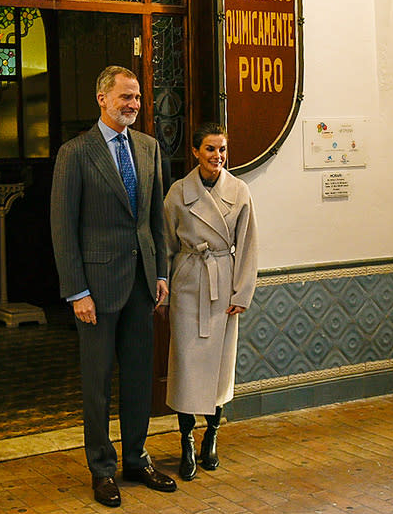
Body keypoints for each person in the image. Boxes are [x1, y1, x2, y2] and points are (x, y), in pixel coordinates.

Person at [51, 65, 177, 508]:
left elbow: (155, 220)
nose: (134, 105)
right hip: (97, 291)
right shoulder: (76, 153)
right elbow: (63, 228)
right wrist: (77, 292)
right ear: (102, 99)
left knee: (140, 380)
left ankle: (137, 459)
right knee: (98, 384)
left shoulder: (148, 147)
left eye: (138, 98)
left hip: (143, 285)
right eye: (125, 97)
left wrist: (162, 273)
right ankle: (102, 469)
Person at [164, 123, 258, 481]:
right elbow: (166, 242)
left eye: (221, 149)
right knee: (186, 366)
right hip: (188, 283)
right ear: (195, 151)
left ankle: (212, 436)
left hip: (223, 284)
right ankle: (186, 440)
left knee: (220, 370)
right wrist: (165, 286)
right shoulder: (177, 192)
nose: (217, 156)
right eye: (209, 149)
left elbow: (248, 245)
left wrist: (241, 292)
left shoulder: (239, 190)